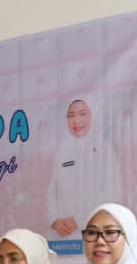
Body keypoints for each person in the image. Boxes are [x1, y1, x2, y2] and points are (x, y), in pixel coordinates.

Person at [47, 97, 126, 239]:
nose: (76, 120)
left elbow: (112, 192)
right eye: (71, 115)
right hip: (64, 235)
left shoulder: (105, 148)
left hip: (95, 231)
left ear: (93, 116)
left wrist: (78, 220)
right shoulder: (62, 151)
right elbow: (53, 190)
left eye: (83, 114)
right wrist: (55, 220)